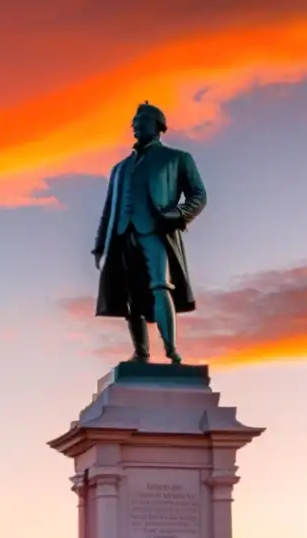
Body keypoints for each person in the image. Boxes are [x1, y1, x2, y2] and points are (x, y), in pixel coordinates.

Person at [91, 102, 207, 364]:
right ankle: (141, 352)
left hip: (156, 232)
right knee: (130, 295)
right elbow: (108, 210)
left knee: (160, 285)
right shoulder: (119, 168)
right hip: (122, 234)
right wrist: (100, 245)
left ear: (158, 125)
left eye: (141, 120)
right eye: (133, 120)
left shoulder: (178, 158)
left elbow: (199, 195)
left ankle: (171, 351)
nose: (135, 124)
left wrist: (178, 214)